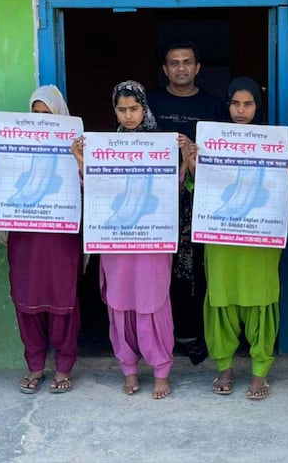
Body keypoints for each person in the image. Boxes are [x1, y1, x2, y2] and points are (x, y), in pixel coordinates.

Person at [72, 80, 179, 399]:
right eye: (122, 109)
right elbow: (95, 190)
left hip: (151, 240)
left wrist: (184, 159)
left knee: (152, 302)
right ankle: (129, 369)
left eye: (134, 108)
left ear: (144, 108)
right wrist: (81, 161)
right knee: (119, 304)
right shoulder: (104, 147)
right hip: (116, 240)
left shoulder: (161, 145)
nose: (129, 115)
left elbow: (173, 188)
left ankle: (161, 369)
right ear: (114, 111)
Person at [185, 77, 284, 400]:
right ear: (227, 105)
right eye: (235, 103)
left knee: (260, 301)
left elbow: (281, 191)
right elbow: (200, 192)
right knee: (221, 300)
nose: (241, 111)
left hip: (259, 240)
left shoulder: (274, 143)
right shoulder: (212, 143)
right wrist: (193, 166)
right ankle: (224, 367)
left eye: (248, 104)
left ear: (258, 106)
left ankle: (259, 372)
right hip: (222, 239)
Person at [0, 85, 81, 394]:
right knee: (26, 301)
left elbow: (90, 188)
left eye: (47, 115)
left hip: (61, 238)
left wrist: (79, 161)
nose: (40, 121)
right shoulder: (17, 149)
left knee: (64, 300)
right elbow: (5, 188)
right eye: (34, 114)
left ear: (60, 117)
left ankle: (64, 367)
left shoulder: (77, 147)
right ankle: (35, 366)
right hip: (25, 238)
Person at [148, 41, 224, 365]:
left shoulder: (214, 106)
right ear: (165, 69)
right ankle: (161, 336)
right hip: (153, 200)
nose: (181, 67)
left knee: (196, 267)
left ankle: (192, 335)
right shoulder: (149, 102)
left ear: (197, 68)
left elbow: (227, 152)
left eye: (187, 62)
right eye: (174, 62)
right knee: (160, 265)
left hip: (200, 199)